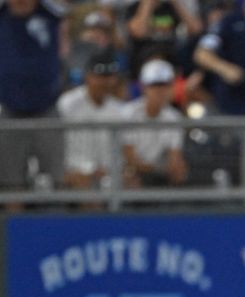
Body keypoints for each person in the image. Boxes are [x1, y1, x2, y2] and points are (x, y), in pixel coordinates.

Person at [0, 0, 66, 191]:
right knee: (10, 181)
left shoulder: (50, 13)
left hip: (46, 109)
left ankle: (57, 218)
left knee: (56, 178)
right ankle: (10, 220)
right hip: (10, 110)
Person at [57, 48, 126, 190]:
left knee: (131, 183)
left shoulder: (118, 110)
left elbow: (121, 152)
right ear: (88, 76)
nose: (105, 82)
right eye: (100, 77)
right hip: (74, 171)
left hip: (108, 173)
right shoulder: (68, 104)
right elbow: (56, 145)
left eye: (109, 77)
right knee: (84, 185)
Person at [121, 58, 188, 186]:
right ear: (143, 87)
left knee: (179, 172)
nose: (160, 91)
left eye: (165, 85)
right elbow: (129, 158)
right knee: (130, 177)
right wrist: (157, 169)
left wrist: (174, 167)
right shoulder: (128, 113)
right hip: (127, 171)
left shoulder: (173, 117)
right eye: (155, 86)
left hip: (155, 172)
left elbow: (175, 156)